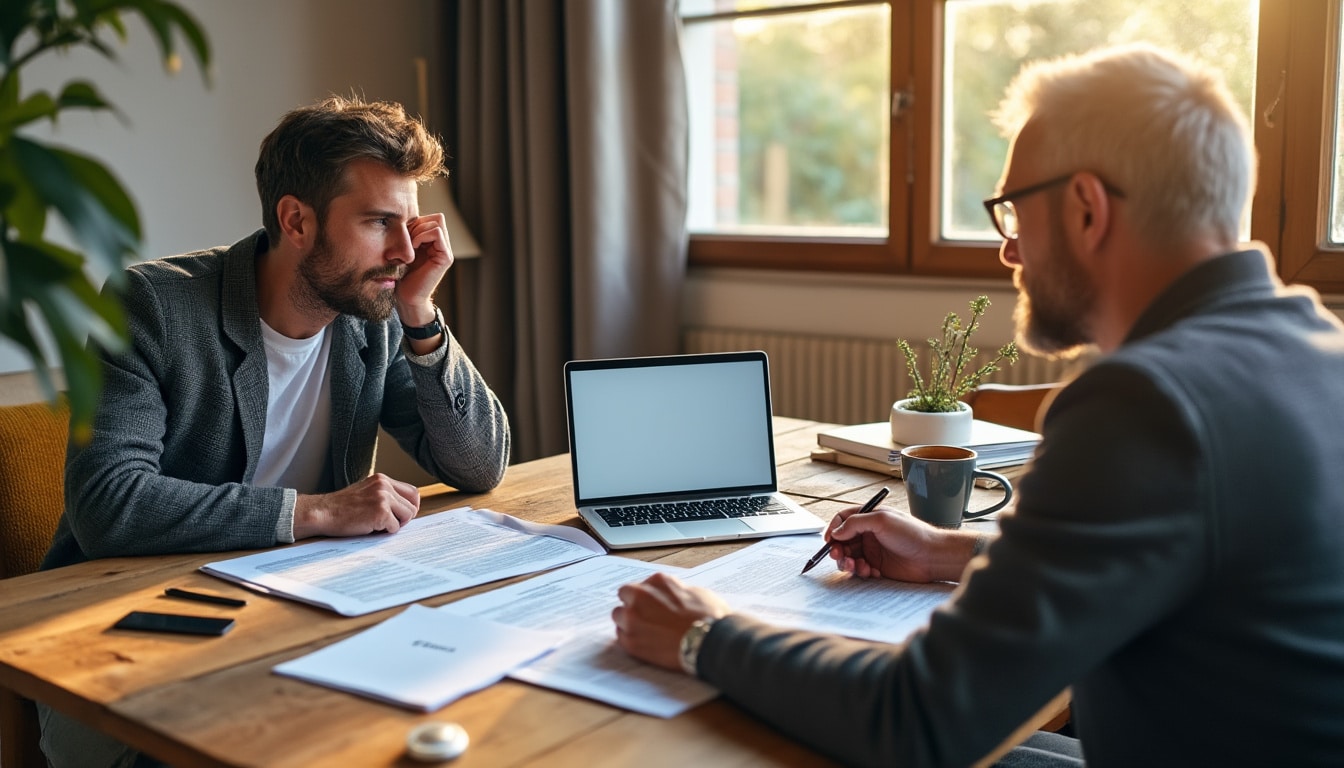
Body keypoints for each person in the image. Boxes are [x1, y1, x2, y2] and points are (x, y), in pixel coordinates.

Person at [613, 43, 1344, 767]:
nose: (1009, 252)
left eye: (1013, 213)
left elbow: (919, 720)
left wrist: (704, 633)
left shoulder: (1145, 403)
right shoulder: (1318, 350)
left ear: (1087, 208)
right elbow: (1189, 563)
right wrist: (952, 550)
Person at [37, 95, 511, 767]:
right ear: (296, 220)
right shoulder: (150, 307)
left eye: (410, 224)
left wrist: (421, 313)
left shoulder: (370, 318)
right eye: (380, 223)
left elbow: (479, 464)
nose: (406, 252)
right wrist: (315, 512)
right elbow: (109, 506)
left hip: (288, 613)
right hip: (122, 629)